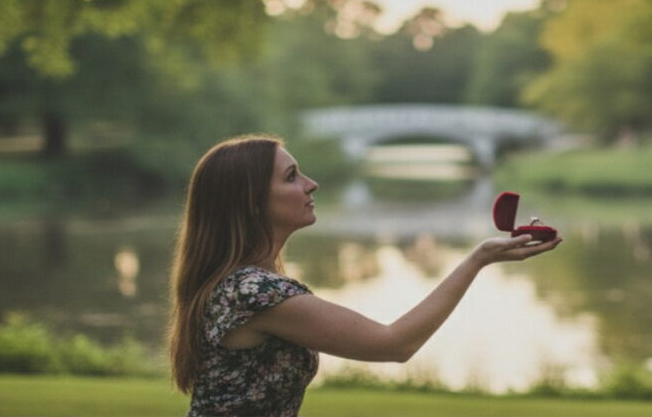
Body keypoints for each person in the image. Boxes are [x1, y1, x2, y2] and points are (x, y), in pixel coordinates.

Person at [168, 134, 561, 417]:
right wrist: (476, 260)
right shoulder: (252, 292)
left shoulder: (245, 282)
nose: (311, 184)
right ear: (252, 203)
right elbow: (394, 344)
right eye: (291, 177)